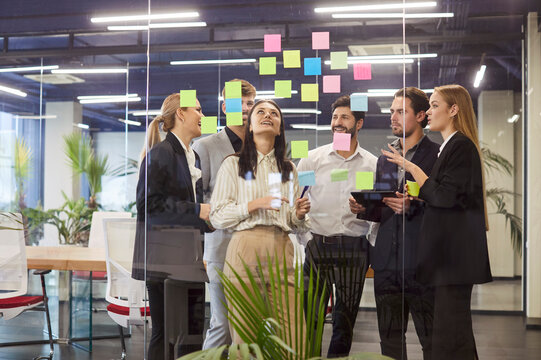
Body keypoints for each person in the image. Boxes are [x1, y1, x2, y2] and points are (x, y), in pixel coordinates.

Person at [382, 84, 492, 360]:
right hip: (446, 261)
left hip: (453, 261)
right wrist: (417, 200)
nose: (428, 112)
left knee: (452, 340)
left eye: (434, 105)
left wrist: (413, 169)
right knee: (452, 339)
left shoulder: (460, 146)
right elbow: (449, 200)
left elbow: (443, 197)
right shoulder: (450, 147)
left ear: (453, 109)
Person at [209, 99, 311, 345]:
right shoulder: (233, 164)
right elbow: (217, 215)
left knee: (294, 334)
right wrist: (254, 204)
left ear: (279, 128)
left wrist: (298, 214)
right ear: (250, 127)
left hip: (282, 246)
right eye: (261, 112)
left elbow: (293, 223)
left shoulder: (288, 169)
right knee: (246, 337)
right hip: (245, 247)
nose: (268, 115)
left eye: (274, 114)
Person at [349, 87, 439, 360]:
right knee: (389, 340)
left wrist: (416, 206)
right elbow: (384, 209)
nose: (393, 117)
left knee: (431, 339)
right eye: (391, 112)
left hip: (422, 262)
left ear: (421, 115)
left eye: (401, 111)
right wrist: (364, 208)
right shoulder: (385, 160)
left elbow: (445, 206)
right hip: (387, 261)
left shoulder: (437, 155)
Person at [132, 93, 212, 360]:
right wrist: (198, 210)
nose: (202, 116)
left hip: (188, 259)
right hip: (164, 262)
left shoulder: (193, 157)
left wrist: (210, 219)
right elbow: (148, 206)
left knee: (192, 334)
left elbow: (190, 208)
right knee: (165, 336)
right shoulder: (161, 153)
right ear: (181, 114)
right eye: (198, 110)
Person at [298, 95, 377, 358]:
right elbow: (297, 200)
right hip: (318, 246)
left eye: (344, 117)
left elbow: (378, 210)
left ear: (359, 124)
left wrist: (366, 212)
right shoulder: (311, 160)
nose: (338, 123)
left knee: (345, 322)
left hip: (354, 249)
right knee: (311, 320)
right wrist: (307, 238)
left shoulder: (372, 164)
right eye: (334, 117)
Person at [192, 79, 256, 349]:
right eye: (237, 103)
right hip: (221, 248)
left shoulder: (261, 145)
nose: (244, 108)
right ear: (223, 106)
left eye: (250, 103)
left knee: (251, 327)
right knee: (222, 324)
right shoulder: (205, 147)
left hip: (256, 248)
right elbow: (199, 201)